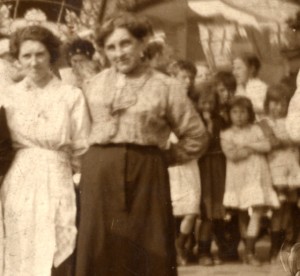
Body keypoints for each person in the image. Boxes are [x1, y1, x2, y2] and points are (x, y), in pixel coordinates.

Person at [75, 12, 209, 276]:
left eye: (125, 44)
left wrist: (161, 159)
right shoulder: (92, 84)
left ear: (141, 43)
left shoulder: (166, 86)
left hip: (147, 175)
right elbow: (79, 132)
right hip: (99, 174)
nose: (119, 53)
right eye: (111, 47)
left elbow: (197, 136)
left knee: (148, 247)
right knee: (100, 246)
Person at [1, 25, 90, 276]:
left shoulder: (71, 95)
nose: (34, 62)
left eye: (40, 54)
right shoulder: (7, 97)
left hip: (58, 175)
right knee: (21, 244)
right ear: (17, 59)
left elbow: (82, 146)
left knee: (58, 240)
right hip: (19, 178)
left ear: (51, 54)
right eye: (26, 56)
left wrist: (78, 181)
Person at [221, 96, 279, 266]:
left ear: (249, 113)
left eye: (243, 112)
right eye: (235, 112)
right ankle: (248, 253)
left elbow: (268, 146)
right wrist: (254, 147)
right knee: (242, 214)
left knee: (257, 210)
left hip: (258, 176)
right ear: (229, 114)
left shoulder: (256, 130)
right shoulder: (226, 134)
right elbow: (233, 155)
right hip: (239, 178)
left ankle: (249, 251)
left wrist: (248, 146)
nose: (239, 116)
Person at [259, 84, 300, 263]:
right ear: (267, 104)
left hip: (292, 168)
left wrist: (290, 140)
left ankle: (289, 242)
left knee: (291, 206)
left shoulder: (291, 121)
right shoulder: (264, 122)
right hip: (275, 169)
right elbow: (272, 142)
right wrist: (289, 140)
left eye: (282, 103)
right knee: (278, 208)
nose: (277, 107)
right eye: (273, 103)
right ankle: (275, 247)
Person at [167, 60, 202, 266]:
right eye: (183, 77)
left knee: (191, 209)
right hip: (170, 162)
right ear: (172, 78)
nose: (188, 82)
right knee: (170, 210)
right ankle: (174, 249)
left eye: (190, 78)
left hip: (189, 160)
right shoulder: (163, 100)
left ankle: (180, 245)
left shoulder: (194, 102)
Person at [196, 83, 228, 266]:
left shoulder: (220, 120)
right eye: (203, 103)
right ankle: (202, 251)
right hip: (203, 165)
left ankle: (220, 250)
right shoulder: (195, 119)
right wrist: (207, 124)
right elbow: (203, 142)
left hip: (218, 165)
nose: (207, 107)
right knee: (205, 209)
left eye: (210, 103)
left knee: (217, 208)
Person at [233, 54, 267, 118]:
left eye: (238, 68)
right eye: (234, 68)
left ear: (252, 69)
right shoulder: (238, 88)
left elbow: (263, 109)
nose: (234, 72)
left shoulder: (259, 87)